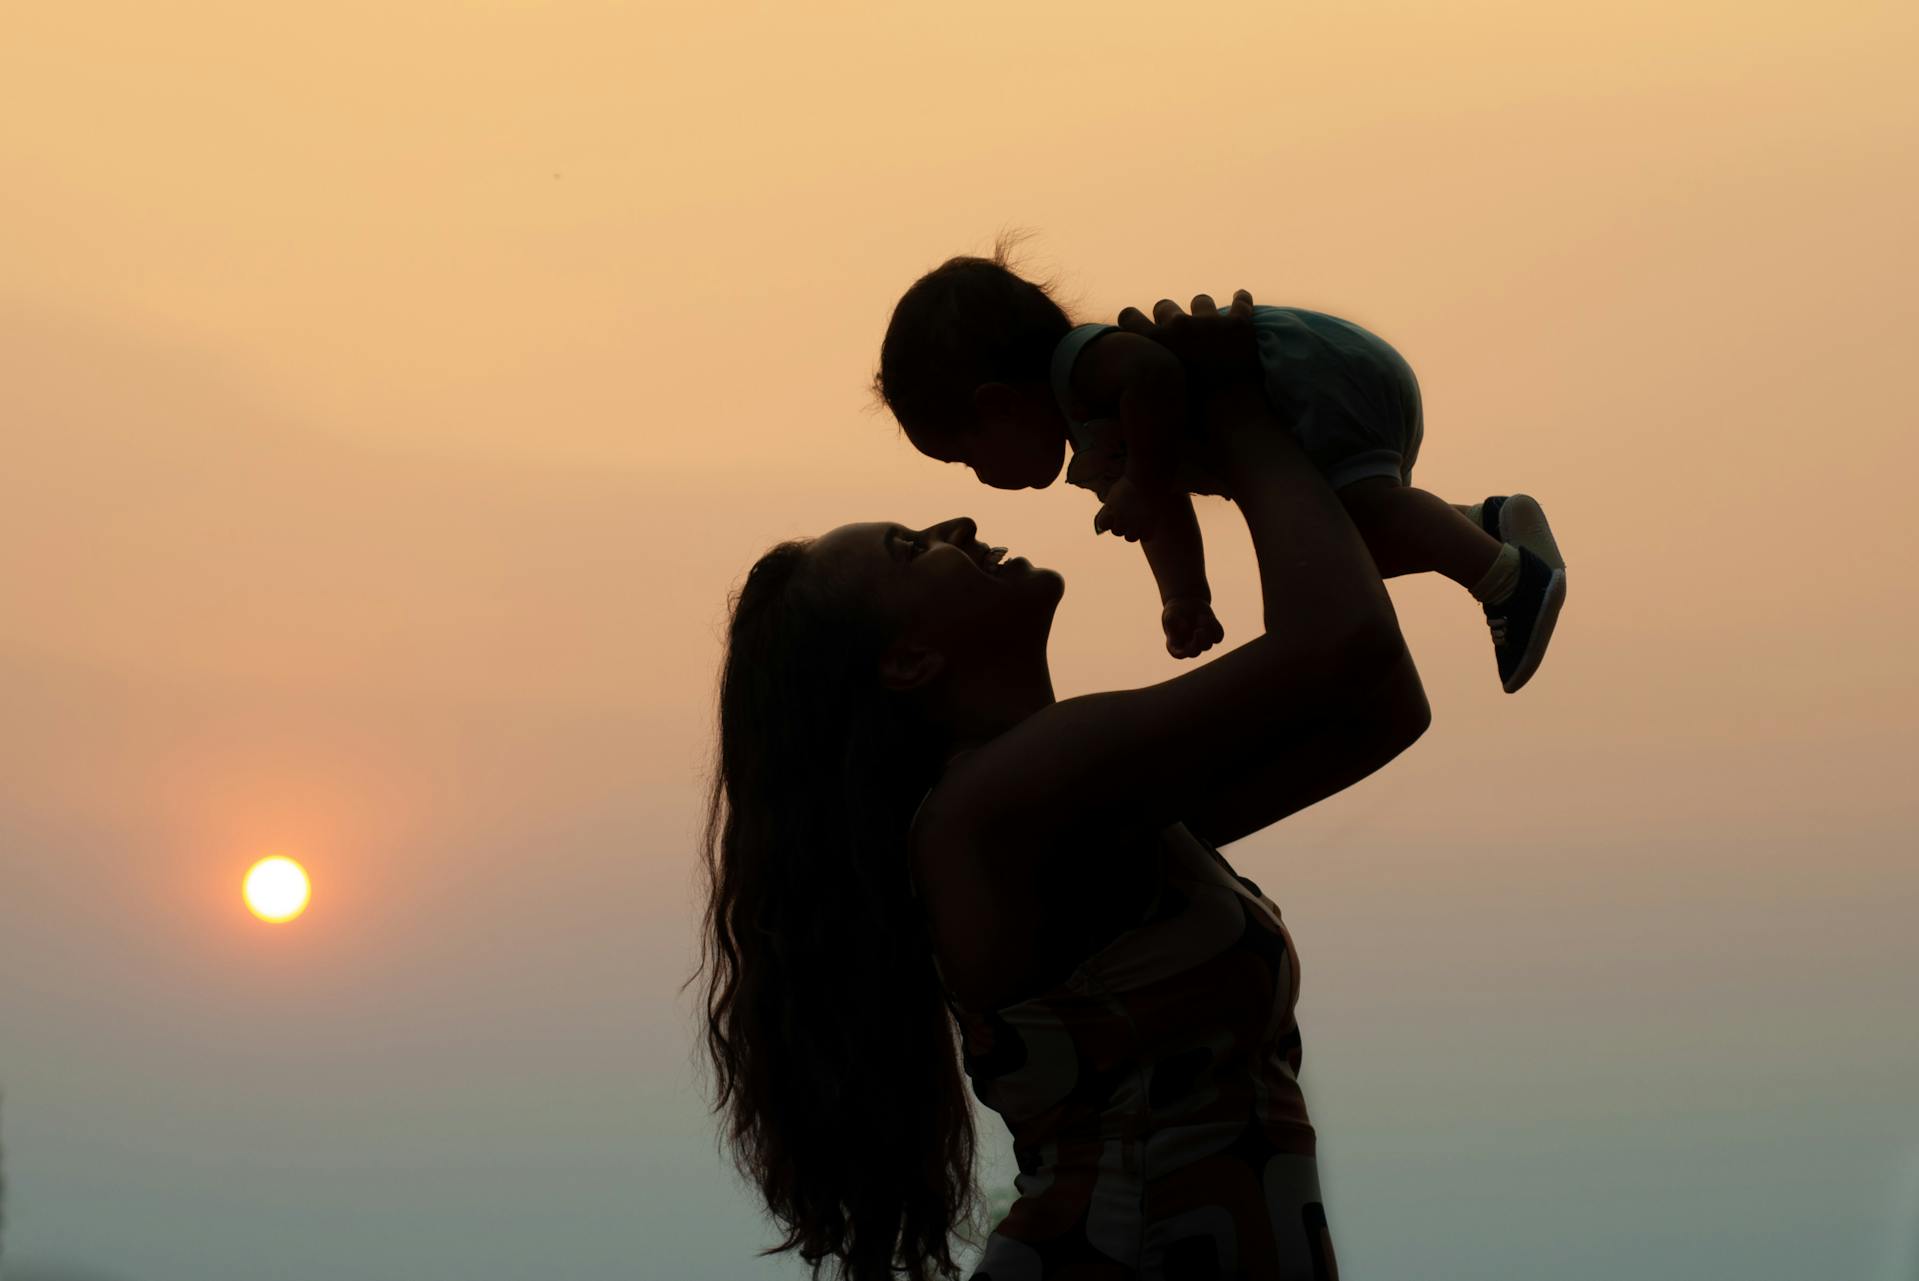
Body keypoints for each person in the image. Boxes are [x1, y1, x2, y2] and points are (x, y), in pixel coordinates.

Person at [696, 295, 1431, 1280]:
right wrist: (1235, 409)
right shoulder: (1004, 801)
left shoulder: (1077, 801)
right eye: (912, 546)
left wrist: (1202, 446)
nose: (959, 518)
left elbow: (1382, 707)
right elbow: (1343, 642)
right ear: (908, 660)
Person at [876, 250, 1567, 693]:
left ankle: (1507, 578)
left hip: (1313, 382)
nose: (978, 479)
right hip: (1315, 394)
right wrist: (1183, 594)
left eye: (966, 457)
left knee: (1361, 519)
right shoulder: (1095, 433)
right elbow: (1163, 515)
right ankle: (1483, 526)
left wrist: (1144, 483)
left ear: (996, 407)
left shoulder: (1085, 366)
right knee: (1344, 548)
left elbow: (1156, 376)